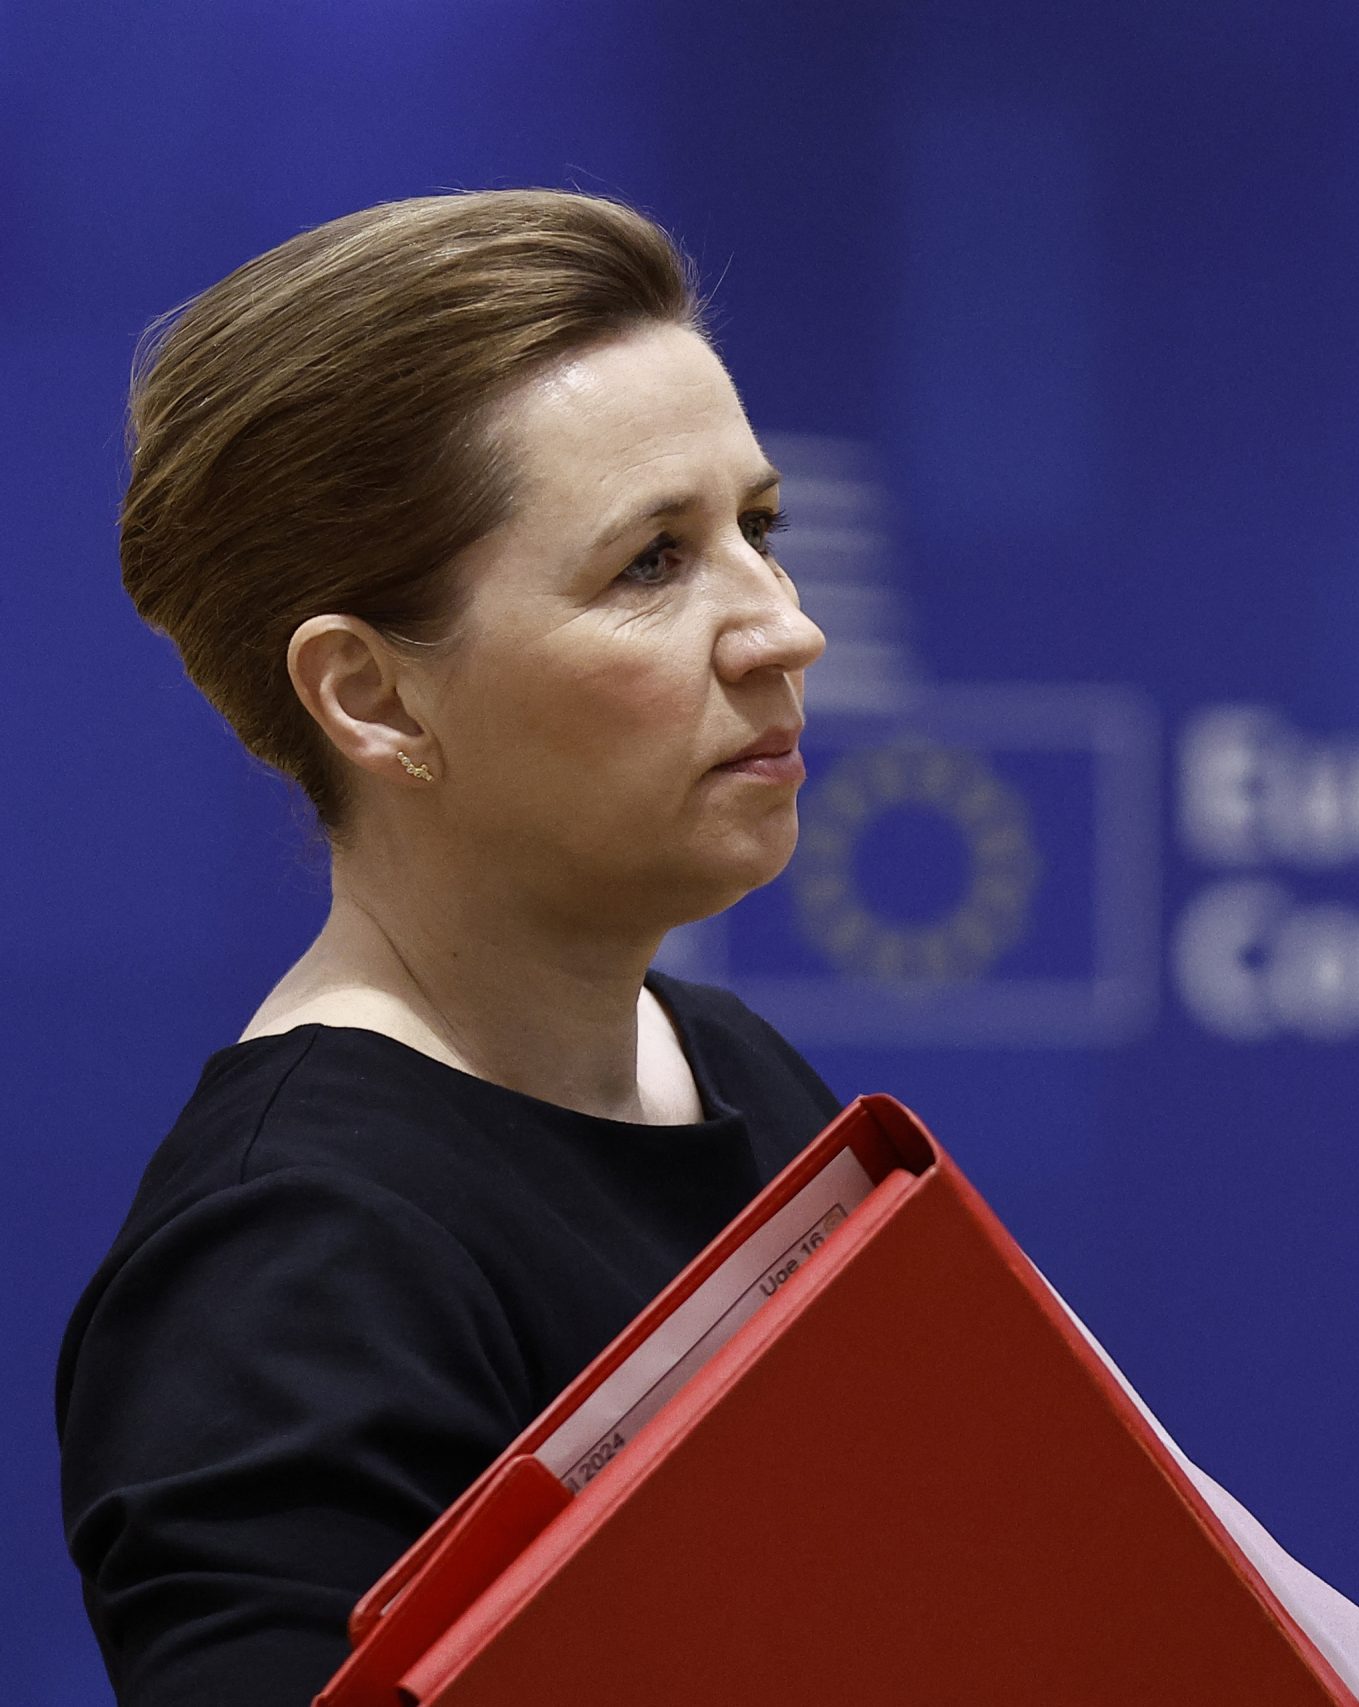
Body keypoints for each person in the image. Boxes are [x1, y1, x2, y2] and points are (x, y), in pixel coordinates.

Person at [55, 189, 837, 1704]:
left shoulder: (734, 1066)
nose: (783, 628)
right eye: (651, 564)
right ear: (372, 697)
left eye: (759, 528)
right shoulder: (289, 1265)